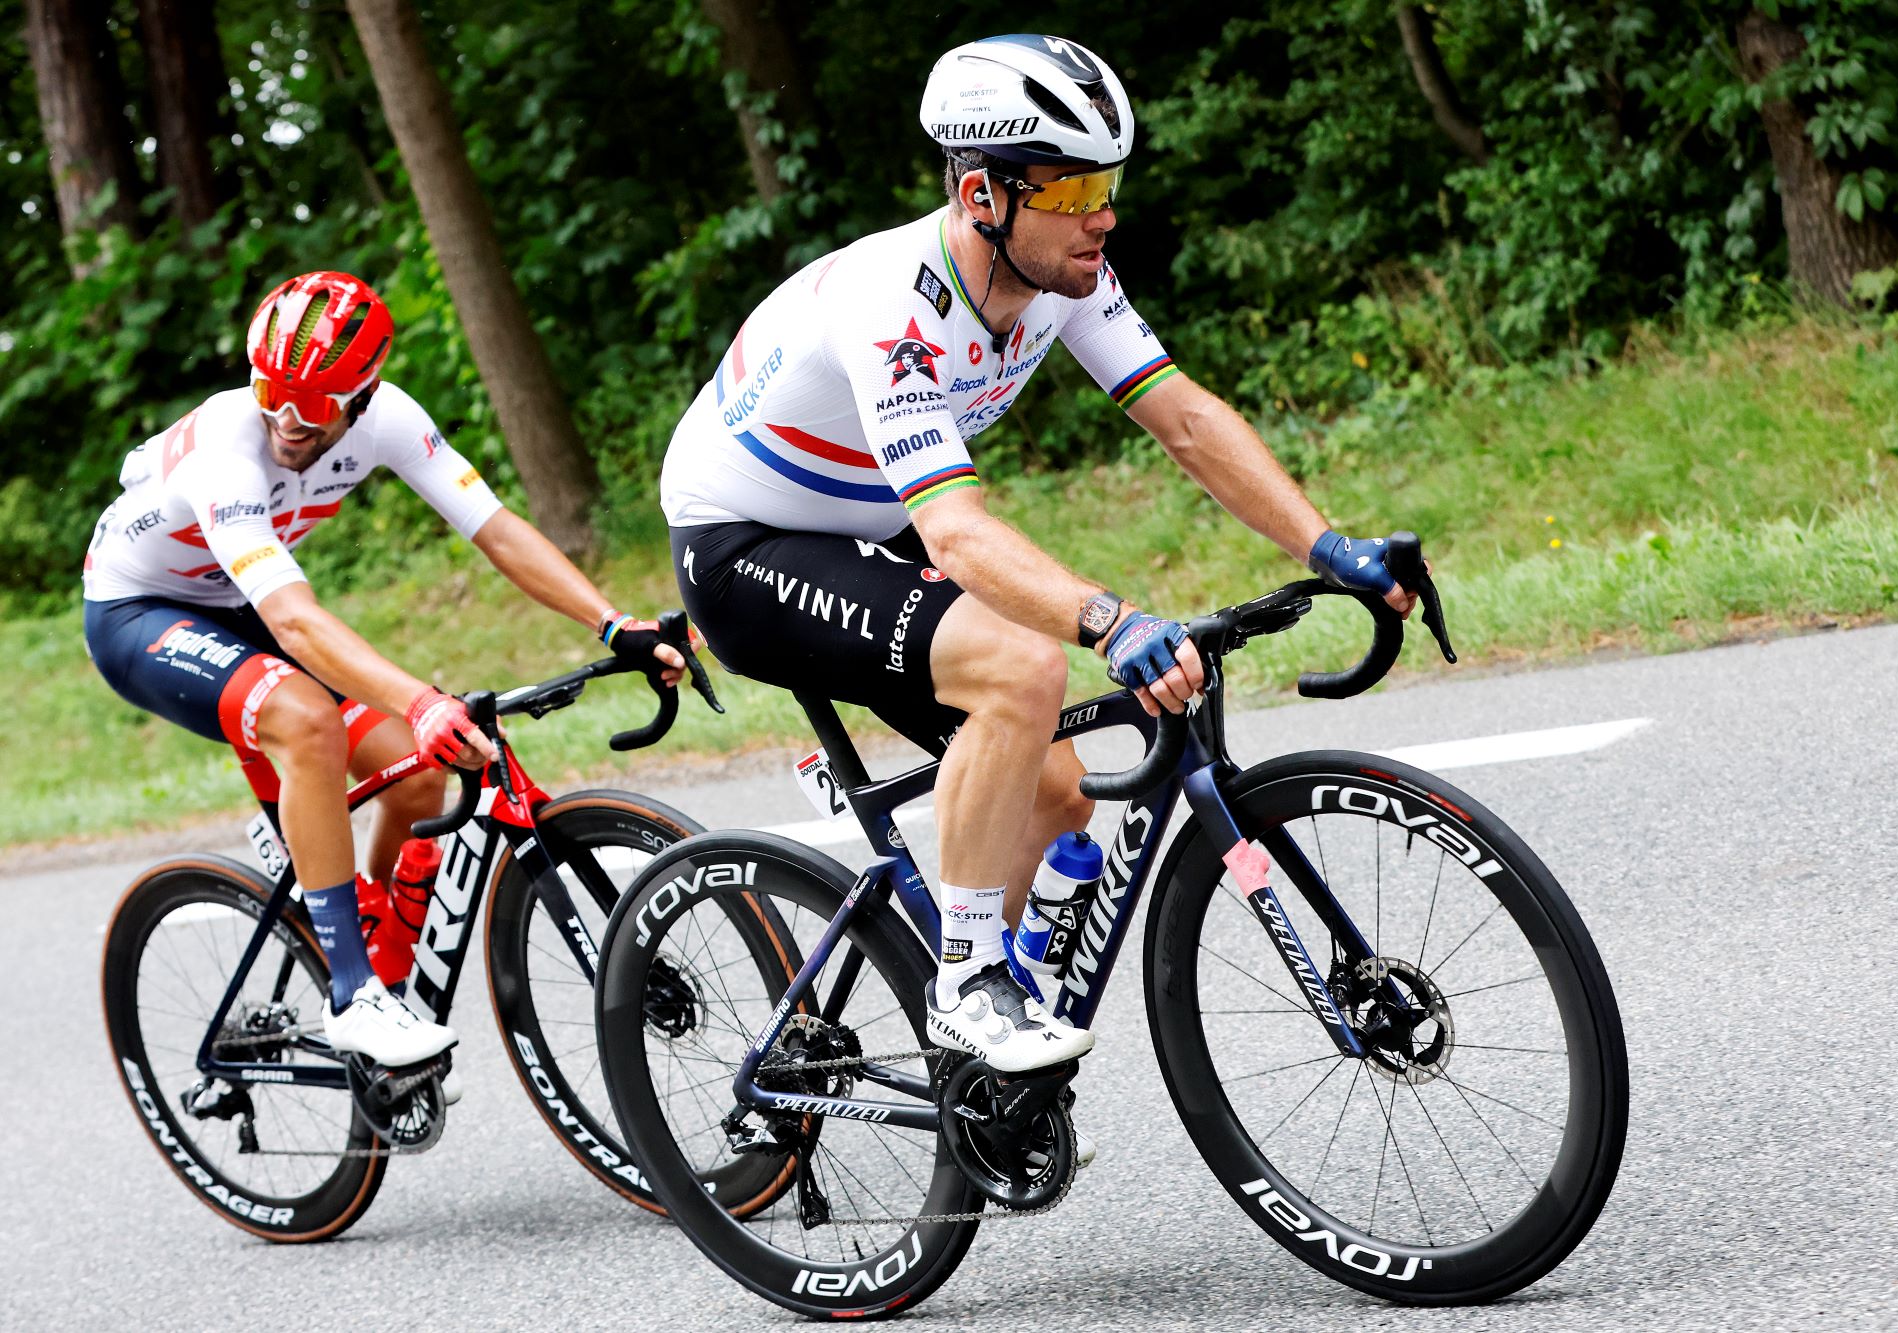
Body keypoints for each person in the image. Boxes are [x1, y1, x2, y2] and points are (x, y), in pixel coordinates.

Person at [660, 35, 1419, 1075]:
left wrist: (1328, 545)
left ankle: (975, 1049)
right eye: (1071, 187)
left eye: (1106, 181)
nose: (1102, 213)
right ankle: (966, 986)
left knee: (1058, 792)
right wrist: (1112, 619)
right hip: (743, 547)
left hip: (863, 530)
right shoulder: (896, 305)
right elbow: (956, 531)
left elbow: (1186, 420)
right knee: (1023, 670)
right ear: (982, 194)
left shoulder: (1067, 274)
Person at [84, 270, 690, 1074]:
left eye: (318, 406)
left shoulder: (390, 419)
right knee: (304, 718)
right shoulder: (228, 452)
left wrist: (613, 621)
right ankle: (353, 994)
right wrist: (423, 698)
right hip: (140, 612)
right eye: (273, 390)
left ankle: (380, 959)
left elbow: (496, 528)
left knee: (414, 769)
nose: (289, 423)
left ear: (363, 398)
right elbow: (295, 621)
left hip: (241, 600)